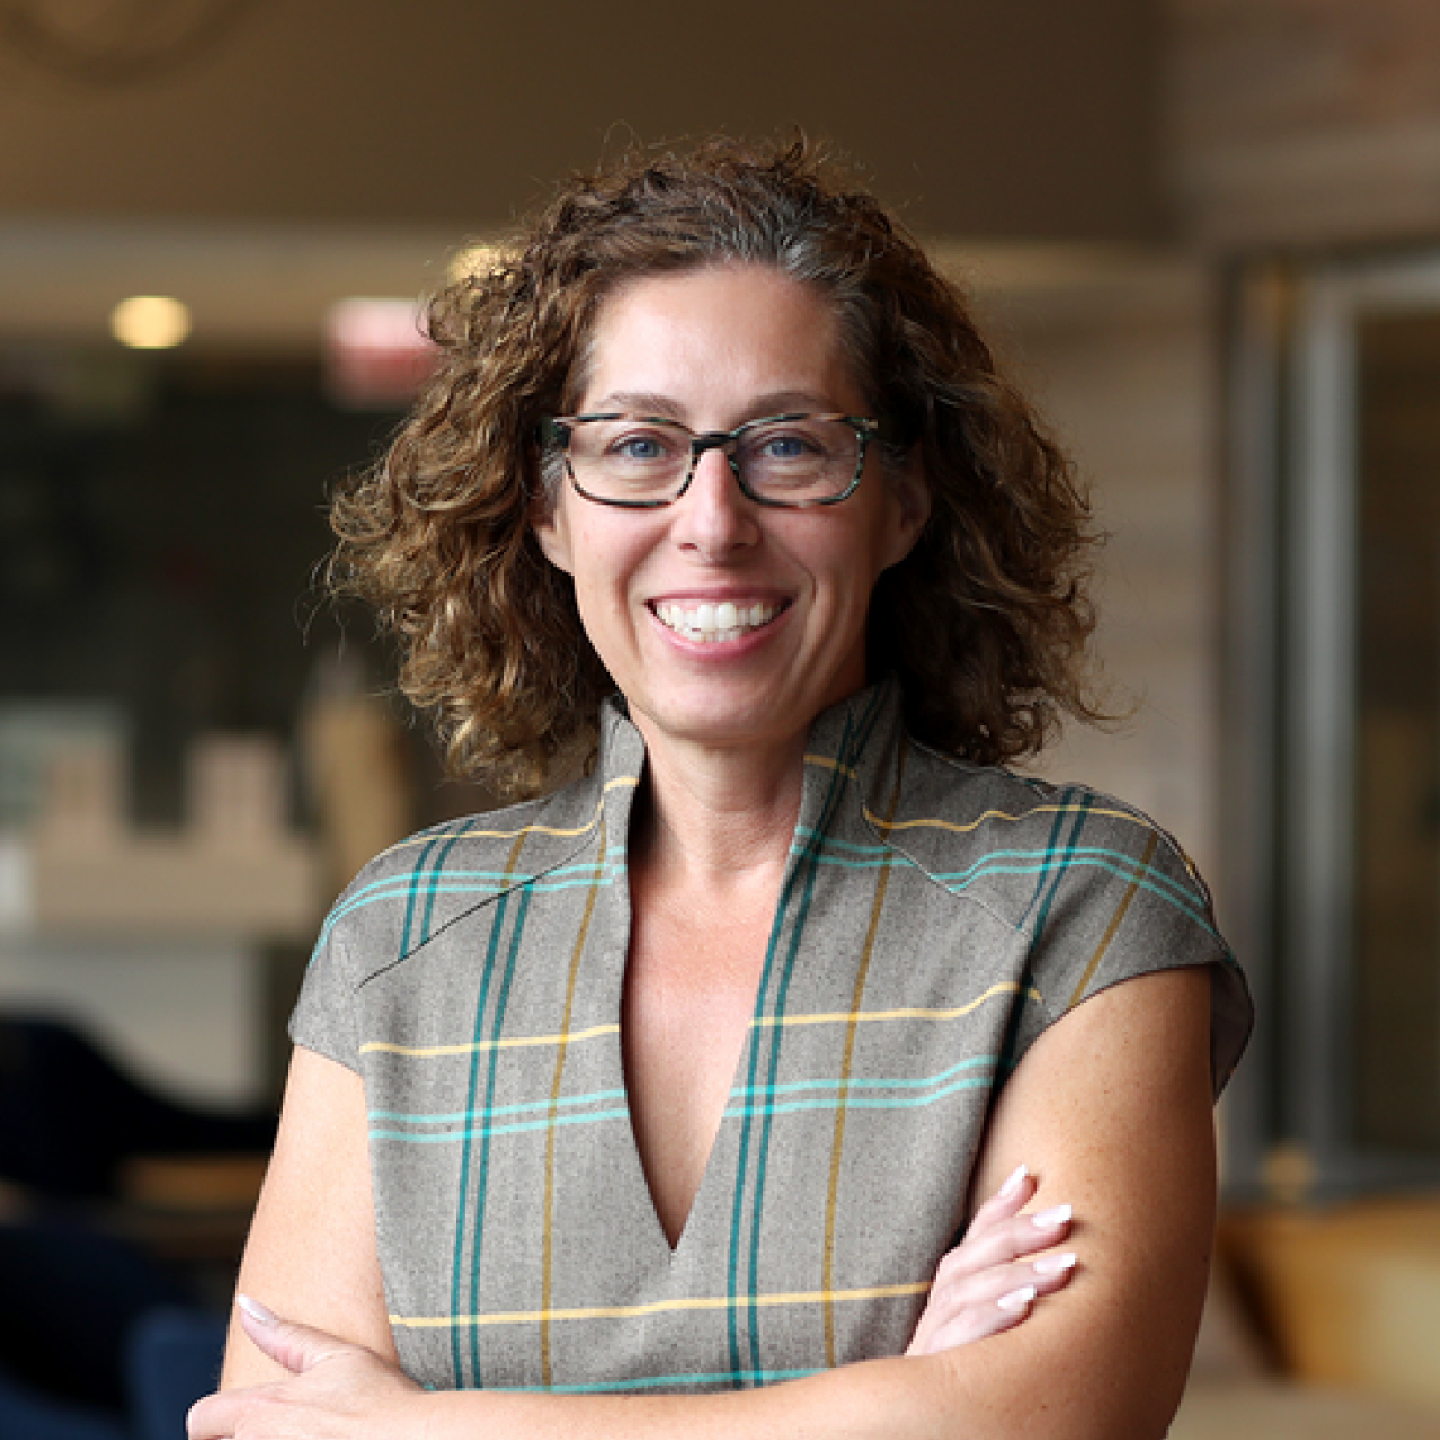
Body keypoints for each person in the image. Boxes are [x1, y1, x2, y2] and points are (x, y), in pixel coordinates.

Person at [189, 136, 1251, 1439]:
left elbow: (1050, 1423)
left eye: (788, 445)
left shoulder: (1079, 911)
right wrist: (894, 1401)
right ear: (547, 507)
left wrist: (433, 1424)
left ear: (904, 500)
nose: (711, 520)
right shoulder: (402, 940)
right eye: (638, 445)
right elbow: (267, 1427)